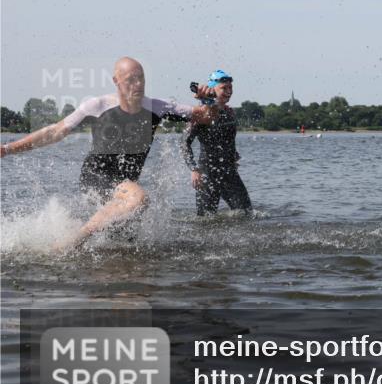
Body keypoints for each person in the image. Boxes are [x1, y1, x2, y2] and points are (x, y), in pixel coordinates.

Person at [0, 57, 218, 248]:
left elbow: (206, 117)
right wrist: (7, 149)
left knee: (126, 237)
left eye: (141, 78)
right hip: (96, 177)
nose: (138, 84)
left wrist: (208, 101)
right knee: (138, 198)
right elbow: (55, 131)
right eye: (131, 79)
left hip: (124, 182)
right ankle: (67, 245)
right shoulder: (97, 105)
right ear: (116, 81)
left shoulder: (157, 107)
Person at [183, 70, 253, 217]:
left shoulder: (230, 112)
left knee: (247, 214)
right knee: (205, 221)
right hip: (207, 174)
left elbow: (227, 139)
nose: (229, 91)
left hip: (229, 172)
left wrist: (233, 155)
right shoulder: (201, 113)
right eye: (224, 88)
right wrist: (194, 169)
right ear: (212, 88)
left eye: (230, 88)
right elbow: (184, 143)